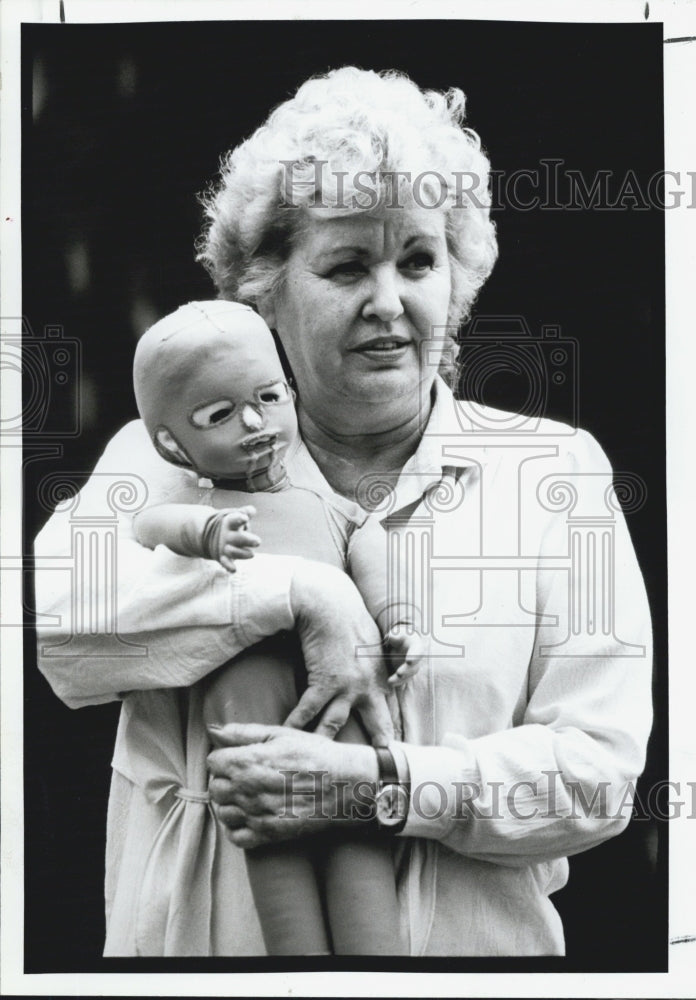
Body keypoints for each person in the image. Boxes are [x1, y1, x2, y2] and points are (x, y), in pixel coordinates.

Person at [35, 66, 653, 956]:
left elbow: (597, 776)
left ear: (459, 276)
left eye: (418, 261)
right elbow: (58, 637)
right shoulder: (166, 452)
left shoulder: (551, 471)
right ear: (262, 287)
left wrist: (377, 786)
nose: (389, 304)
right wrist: (300, 594)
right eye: (346, 264)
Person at [130, 298, 420, 954]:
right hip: (245, 692)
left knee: (356, 835)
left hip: (340, 684)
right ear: (173, 443)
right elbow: (149, 527)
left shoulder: (323, 500)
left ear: (289, 392)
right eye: (219, 414)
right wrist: (206, 530)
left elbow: (368, 548)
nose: (256, 423)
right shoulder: (195, 498)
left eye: (267, 396)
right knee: (268, 830)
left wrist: (397, 621)